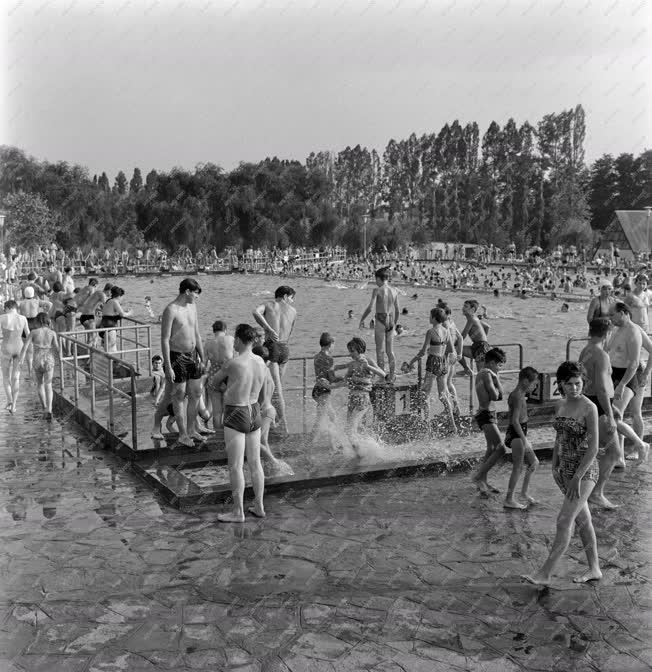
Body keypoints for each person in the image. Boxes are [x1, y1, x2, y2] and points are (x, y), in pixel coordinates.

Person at [522, 361, 601, 585]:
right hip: (564, 468)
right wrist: (554, 466)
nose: (575, 388)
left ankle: (545, 573)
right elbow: (559, 438)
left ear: (583, 382)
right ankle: (595, 568)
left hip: (584, 471)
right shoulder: (561, 405)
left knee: (564, 521)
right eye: (569, 384)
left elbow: (594, 447)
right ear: (561, 384)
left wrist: (577, 477)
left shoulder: (589, 407)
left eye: (578, 383)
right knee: (584, 521)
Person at [210, 323, 267, 523]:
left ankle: (238, 512)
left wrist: (226, 385)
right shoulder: (261, 361)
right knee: (255, 463)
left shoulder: (233, 363)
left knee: (235, 465)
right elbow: (264, 387)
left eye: (235, 339)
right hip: (254, 411)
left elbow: (213, 382)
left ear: (241, 340)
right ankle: (259, 506)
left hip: (236, 411)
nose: (233, 341)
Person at [155, 278, 205, 448]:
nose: (197, 297)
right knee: (179, 395)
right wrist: (168, 366)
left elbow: (197, 333)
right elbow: (164, 340)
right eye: (196, 294)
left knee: (196, 393)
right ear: (187, 292)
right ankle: (182, 434)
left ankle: (191, 430)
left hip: (192, 355)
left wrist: (202, 356)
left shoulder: (192, 306)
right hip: (177, 356)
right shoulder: (171, 310)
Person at [252, 285, 297, 434]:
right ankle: (272, 421)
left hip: (272, 347)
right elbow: (289, 331)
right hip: (285, 348)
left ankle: (281, 424)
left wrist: (269, 329)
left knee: (274, 390)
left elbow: (255, 312)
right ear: (285, 296)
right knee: (273, 388)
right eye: (291, 298)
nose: (292, 301)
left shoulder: (269, 304)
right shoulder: (293, 311)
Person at [406, 307, 457, 432]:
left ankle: (427, 425)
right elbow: (451, 349)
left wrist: (411, 362)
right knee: (443, 395)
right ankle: (453, 424)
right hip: (443, 363)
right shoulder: (446, 331)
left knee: (425, 394)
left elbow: (423, 351)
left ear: (434, 318)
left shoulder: (431, 331)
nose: (429, 318)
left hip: (433, 362)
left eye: (430, 316)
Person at [471, 347, 507, 496]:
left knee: (491, 448)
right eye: (499, 365)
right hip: (487, 415)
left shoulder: (481, 373)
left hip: (486, 413)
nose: (499, 369)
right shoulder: (486, 374)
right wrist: (497, 378)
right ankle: (478, 477)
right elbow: (496, 396)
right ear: (492, 363)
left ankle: (483, 482)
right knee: (501, 448)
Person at [503, 366, 540, 509]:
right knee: (518, 468)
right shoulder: (517, 396)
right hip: (517, 435)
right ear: (525, 381)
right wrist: (525, 440)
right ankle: (509, 499)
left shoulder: (520, 394)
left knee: (534, 463)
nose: (535, 386)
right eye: (534, 383)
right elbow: (514, 421)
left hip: (519, 433)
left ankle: (523, 493)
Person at [358, 267, 400, 381]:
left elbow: (371, 307)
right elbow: (397, 310)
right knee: (390, 351)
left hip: (380, 320)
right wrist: (394, 325)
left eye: (375, 279)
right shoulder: (395, 290)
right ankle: (392, 375)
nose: (375, 282)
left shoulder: (377, 290)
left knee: (379, 350)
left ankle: (382, 376)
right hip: (390, 320)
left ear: (379, 278)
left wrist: (362, 319)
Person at [18, 312, 60, 420]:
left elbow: (25, 347)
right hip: (49, 358)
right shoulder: (52, 333)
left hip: (37, 358)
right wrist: (61, 359)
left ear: (37, 321)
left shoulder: (33, 332)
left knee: (40, 384)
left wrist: (21, 359)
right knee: (48, 384)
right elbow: (57, 348)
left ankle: (44, 407)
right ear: (47, 321)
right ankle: (49, 409)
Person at [344, 337, 386, 443]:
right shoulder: (352, 364)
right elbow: (346, 378)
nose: (350, 354)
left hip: (363, 398)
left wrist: (368, 367)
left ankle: (367, 450)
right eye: (349, 351)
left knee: (351, 430)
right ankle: (362, 450)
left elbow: (382, 374)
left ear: (359, 349)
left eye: (352, 351)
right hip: (352, 398)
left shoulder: (368, 361)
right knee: (351, 429)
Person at [204, 320, 235, 430]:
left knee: (217, 412)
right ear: (225, 330)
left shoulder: (208, 344)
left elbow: (204, 364)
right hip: (228, 376)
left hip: (213, 376)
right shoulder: (231, 339)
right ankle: (228, 435)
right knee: (229, 409)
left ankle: (217, 436)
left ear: (214, 331)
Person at [1, 300, 29, 413]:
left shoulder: (2, 317)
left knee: (6, 377)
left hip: (6, 348)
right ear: (15, 308)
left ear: (7, 307)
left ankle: (9, 400)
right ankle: (14, 406)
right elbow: (28, 335)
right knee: (16, 377)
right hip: (19, 348)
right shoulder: (23, 318)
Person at [18, 287, 52, 375]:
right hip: (36, 324)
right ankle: (40, 367)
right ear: (33, 294)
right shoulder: (37, 302)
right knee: (38, 348)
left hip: (25, 325)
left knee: (28, 349)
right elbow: (50, 304)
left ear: (25, 294)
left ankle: (30, 371)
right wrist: (45, 313)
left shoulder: (21, 303)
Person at [460, 299, 491, 374]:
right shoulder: (475, 318)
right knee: (457, 350)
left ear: (472, 309)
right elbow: (487, 327)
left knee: (481, 375)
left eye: (466, 306)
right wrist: (483, 340)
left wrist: (450, 343)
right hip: (480, 346)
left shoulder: (471, 319)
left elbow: (462, 337)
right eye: (463, 306)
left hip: (480, 348)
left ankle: (466, 369)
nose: (463, 308)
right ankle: (466, 369)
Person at [100, 286, 132, 353]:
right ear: (119, 296)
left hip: (103, 326)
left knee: (109, 349)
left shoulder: (108, 300)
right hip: (110, 327)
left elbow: (112, 313)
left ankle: (109, 362)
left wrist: (124, 311)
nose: (122, 299)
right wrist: (129, 313)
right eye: (122, 297)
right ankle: (108, 362)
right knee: (111, 350)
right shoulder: (115, 301)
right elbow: (122, 314)